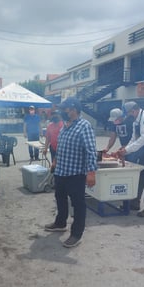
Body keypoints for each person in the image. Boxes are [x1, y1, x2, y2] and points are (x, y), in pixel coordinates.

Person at [44, 97, 97, 248]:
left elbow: (91, 150)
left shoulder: (84, 126)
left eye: (64, 109)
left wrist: (91, 172)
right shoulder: (65, 126)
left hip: (75, 174)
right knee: (59, 198)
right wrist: (55, 161)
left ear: (73, 110)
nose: (61, 112)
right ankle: (60, 223)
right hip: (61, 171)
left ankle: (76, 234)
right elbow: (60, 146)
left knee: (78, 204)